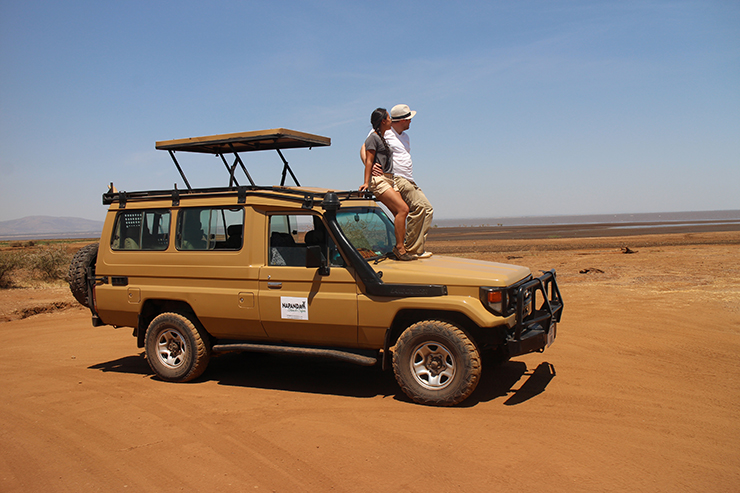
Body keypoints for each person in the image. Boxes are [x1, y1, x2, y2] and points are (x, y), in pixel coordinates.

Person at [361, 104, 434, 258]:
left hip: (404, 178)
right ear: (401, 120)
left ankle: (412, 247)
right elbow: (365, 150)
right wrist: (371, 169)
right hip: (396, 178)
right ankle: (408, 249)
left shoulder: (404, 137)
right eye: (409, 119)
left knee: (422, 210)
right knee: (412, 208)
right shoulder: (381, 133)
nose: (411, 122)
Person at [359, 108, 415, 261]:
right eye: (389, 118)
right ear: (383, 121)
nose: (391, 120)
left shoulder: (383, 137)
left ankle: (399, 246)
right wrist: (366, 182)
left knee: (400, 213)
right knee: (403, 209)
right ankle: (400, 249)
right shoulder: (373, 138)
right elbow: (369, 161)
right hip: (379, 181)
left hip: (389, 178)